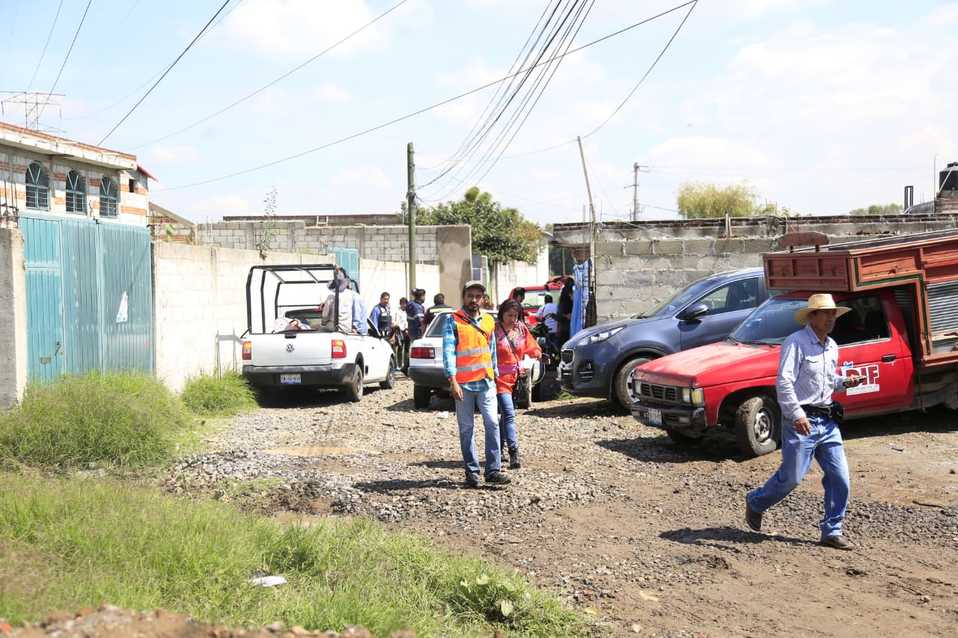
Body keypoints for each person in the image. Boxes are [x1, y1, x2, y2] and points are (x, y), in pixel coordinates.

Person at [745, 294, 864, 550]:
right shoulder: (795, 343)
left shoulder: (831, 345)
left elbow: (827, 380)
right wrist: (797, 414)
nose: (831, 318)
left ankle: (832, 530)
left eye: (833, 313)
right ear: (812, 317)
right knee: (792, 478)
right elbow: (784, 382)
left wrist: (844, 382)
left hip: (827, 421)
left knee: (840, 477)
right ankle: (756, 501)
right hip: (802, 420)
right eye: (826, 313)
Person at [443, 280, 510, 488]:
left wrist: (495, 375)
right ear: (464, 297)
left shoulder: (489, 320)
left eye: (478, 296)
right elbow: (448, 352)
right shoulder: (452, 321)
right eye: (470, 296)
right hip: (463, 385)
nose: (474, 300)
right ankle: (472, 472)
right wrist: (452, 380)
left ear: (483, 299)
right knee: (466, 429)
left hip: (486, 382)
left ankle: (493, 470)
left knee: (492, 423)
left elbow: (492, 352)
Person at [494, 299, 541, 470]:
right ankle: (514, 452)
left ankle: (498, 450)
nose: (513, 319)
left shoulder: (520, 329)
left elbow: (531, 346)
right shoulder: (494, 330)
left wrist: (538, 354)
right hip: (498, 379)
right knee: (509, 413)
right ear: (502, 314)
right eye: (509, 315)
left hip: (515, 378)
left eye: (515, 316)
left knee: (505, 416)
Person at [321, 269, 355, 333]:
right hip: (347, 328)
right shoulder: (351, 295)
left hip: (334, 328)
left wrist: (323, 322)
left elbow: (325, 315)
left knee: (320, 329)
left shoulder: (331, 297)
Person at [557, 279, 574, 344]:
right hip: (568, 324)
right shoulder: (572, 293)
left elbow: (560, 312)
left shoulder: (563, 294)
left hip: (564, 325)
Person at [396, 297, 410, 372]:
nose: (404, 305)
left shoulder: (408, 311)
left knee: (407, 349)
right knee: (400, 348)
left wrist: (407, 329)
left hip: (408, 331)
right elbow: (397, 322)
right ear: (400, 304)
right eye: (402, 304)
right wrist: (403, 329)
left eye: (405, 304)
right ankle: (399, 364)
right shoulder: (398, 312)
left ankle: (406, 364)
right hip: (400, 331)